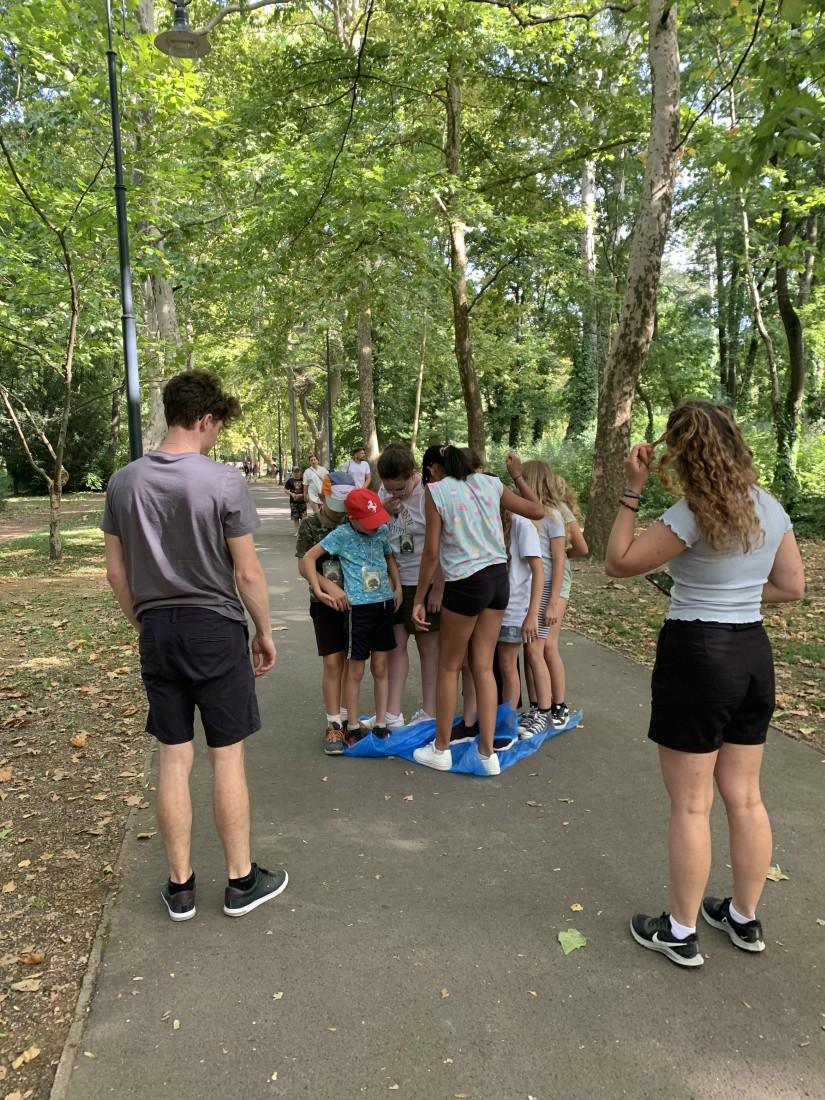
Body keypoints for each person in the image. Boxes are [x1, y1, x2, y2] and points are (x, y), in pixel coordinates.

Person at [604, 400, 805, 968]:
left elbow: (618, 561)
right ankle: (743, 917)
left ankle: (680, 930)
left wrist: (632, 488)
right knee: (746, 797)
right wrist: (737, 593)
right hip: (751, 655)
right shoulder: (769, 507)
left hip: (698, 653)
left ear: (680, 451)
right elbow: (792, 586)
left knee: (692, 805)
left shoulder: (691, 513)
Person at [101, 369, 288, 922]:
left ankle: (180, 888)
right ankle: (240, 882)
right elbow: (247, 572)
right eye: (217, 426)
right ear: (205, 418)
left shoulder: (123, 483)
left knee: (173, 756)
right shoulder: (223, 481)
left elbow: (115, 573)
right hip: (214, 629)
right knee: (225, 755)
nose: (216, 437)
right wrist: (264, 631)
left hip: (157, 629)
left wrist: (144, 623)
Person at [411, 447, 544, 775]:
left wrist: (419, 598)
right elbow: (537, 510)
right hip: (498, 579)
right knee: (484, 668)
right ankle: (487, 754)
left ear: (437, 468)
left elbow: (431, 552)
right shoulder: (490, 483)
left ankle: (441, 749)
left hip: (465, 582)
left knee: (449, 666)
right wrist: (517, 475)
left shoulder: (436, 491)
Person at [302, 487, 403, 743]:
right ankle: (353, 725)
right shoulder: (342, 534)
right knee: (355, 670)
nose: (375, 526)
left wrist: (398, 585)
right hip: (358, 610)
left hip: (384, 606)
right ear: (353, 518)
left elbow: (389, 557)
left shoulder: (381, 530)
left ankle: (381, 723)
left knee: (380, 667)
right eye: (369, 522)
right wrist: (319, 589)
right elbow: (308, 558)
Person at [373, 443, 443, 728]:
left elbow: (443, 545)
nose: (395, 494)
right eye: (389, 489)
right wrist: (382, 509)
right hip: (393, 580)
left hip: (423, 581)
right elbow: (371, 529)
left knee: (428, 648)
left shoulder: (429, 494)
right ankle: (392, 714)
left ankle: (430, 713)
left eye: (400, 489)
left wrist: (438, 588)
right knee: (395, 646)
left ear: (413, 473)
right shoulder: (383, 493)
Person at [296, 471, 356, 755]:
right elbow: (303, 565)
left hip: (356, 601)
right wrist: (326, 587)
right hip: (325, 603)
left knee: (351, 661)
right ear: (322, 496)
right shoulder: (310, 525)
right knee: (333, 662)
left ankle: (347, 719)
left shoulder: (353, 521)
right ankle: (333, 724)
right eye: (336, 505)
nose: (340, 511)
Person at [518, 461, 570, 732]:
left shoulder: (553, 516)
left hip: (545, 588)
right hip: (526, 589)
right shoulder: (522, 513)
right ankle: (538, 706)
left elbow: (560, 561)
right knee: (529, 651)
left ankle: (550, 710)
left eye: (521, 479)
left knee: (536, 650)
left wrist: (552, 603)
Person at [496, 506, 551, 747]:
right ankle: (495, 718)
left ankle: (507, 726)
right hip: (491, 608)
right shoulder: (487, 518)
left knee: (508, 666)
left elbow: (538, 571)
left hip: (514, 610)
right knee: (492, 666)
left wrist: (532, 614)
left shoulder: (522, 524)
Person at [284, 465, 306, 534]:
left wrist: (303, 495)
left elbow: (307, 490)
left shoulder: (303, 480)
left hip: (302, 501)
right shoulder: (290, 480)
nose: (297, 473)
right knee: (295, 517)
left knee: (303, 517)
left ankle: (302, 531)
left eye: (298, 471)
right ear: (293, 472)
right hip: (293, 501)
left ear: (300, 472)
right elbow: (285, 489)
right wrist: (292, 494)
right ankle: (297, 531)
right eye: (295, 472)